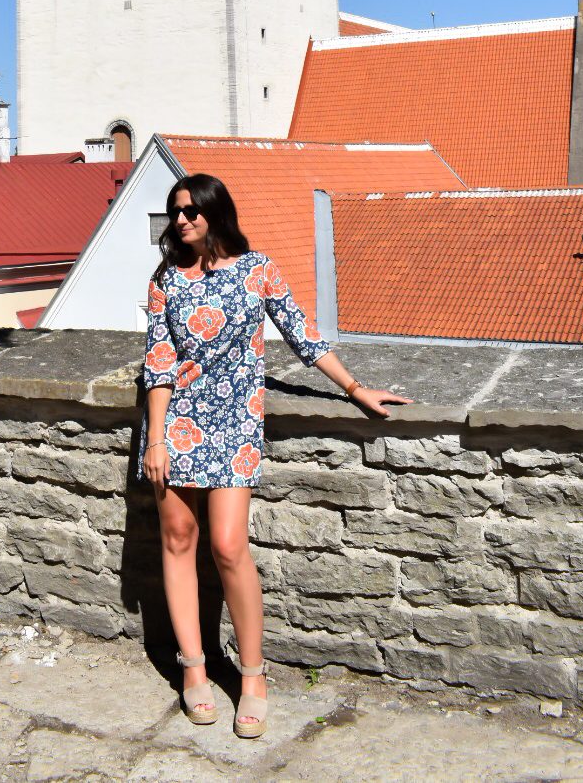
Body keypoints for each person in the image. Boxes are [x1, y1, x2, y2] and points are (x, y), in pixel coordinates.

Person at [139, 172, 410, 739]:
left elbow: (302, 335)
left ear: (216, 211)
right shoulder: (166, 279)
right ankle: (194, 670)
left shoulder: (256, 268)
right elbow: (159, 360)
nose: (182, 219)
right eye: (175, 212)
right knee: (177, 540)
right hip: (177, 423)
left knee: (229, 546)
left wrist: (355, 388)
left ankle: (253, 676)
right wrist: (158, 437)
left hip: (235, 422)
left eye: (191, 210)